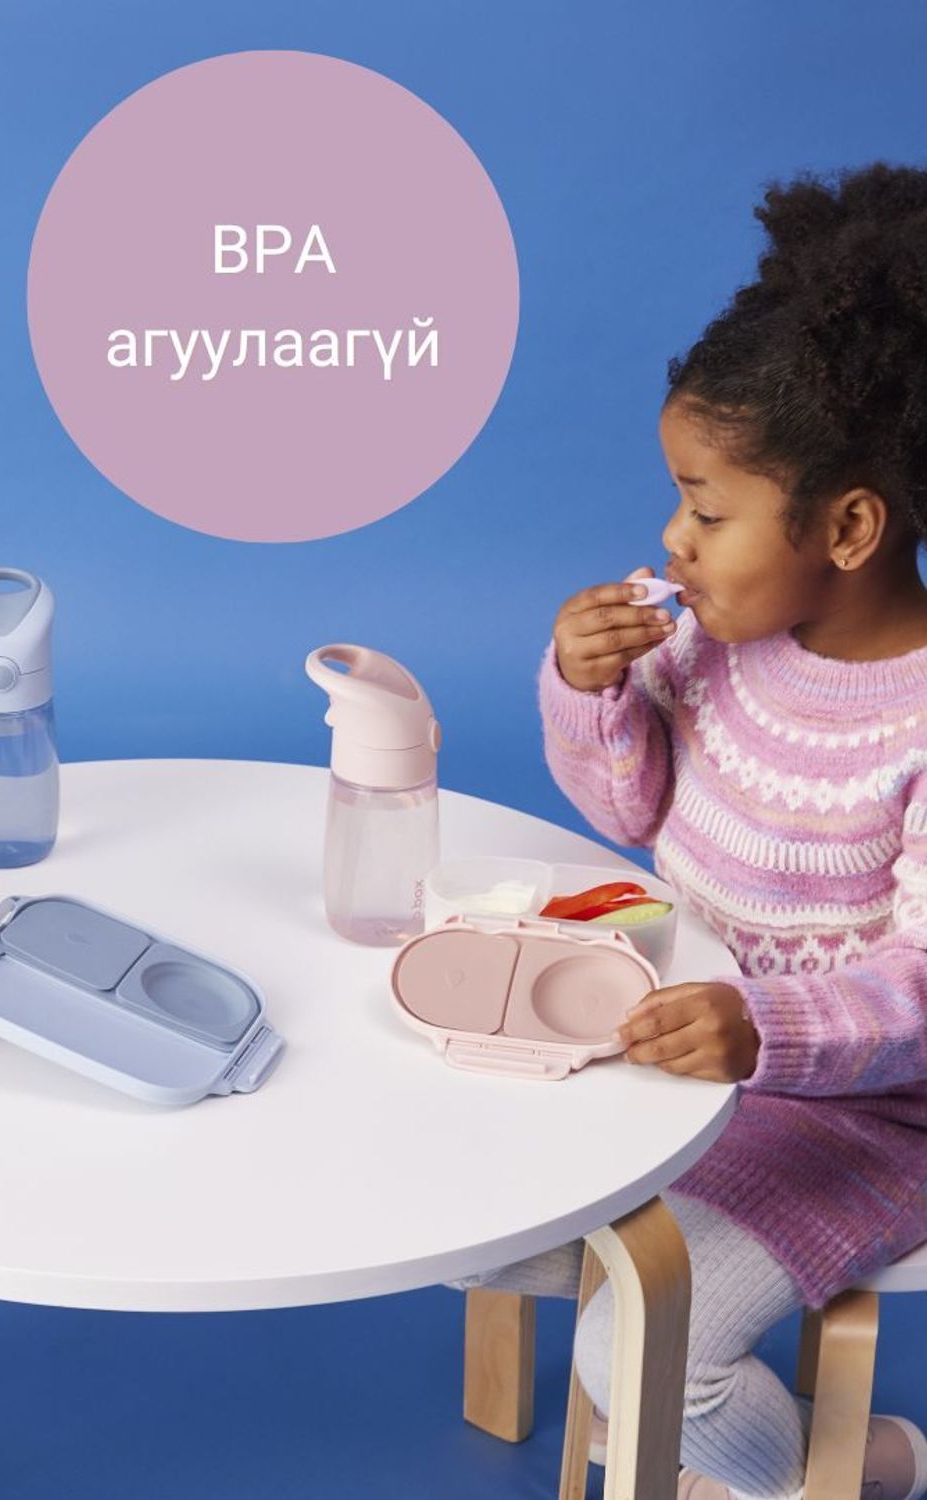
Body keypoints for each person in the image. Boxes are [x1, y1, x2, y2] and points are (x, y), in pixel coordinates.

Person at [449, 161, 927, 1500]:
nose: (674, 538)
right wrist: (586, 685)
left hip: (863, 1114)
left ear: (849, 526)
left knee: (638, 1356)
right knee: (448, 1218)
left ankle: (843, 1472)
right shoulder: (718, 641)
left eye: (710, 511)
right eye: (678, 500)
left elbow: (921, 986)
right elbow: (629, 808)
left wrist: (760, 1031)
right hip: (678, 1050)